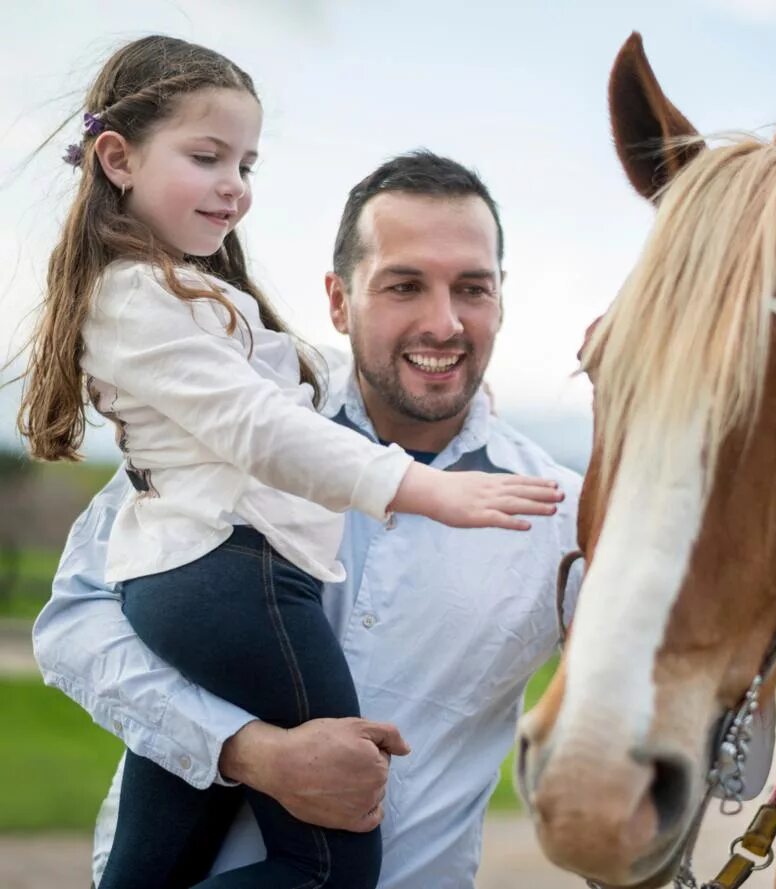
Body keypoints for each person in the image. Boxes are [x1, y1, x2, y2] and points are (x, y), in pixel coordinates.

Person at [21, 35, 567, 889]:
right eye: (403, 285)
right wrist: (249, 753)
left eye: (472, 287)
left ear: (502, 296)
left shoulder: (557, 508)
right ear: (339, 300)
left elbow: (689, 663)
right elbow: (74, 631)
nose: (443, 322)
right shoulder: (208, 438)